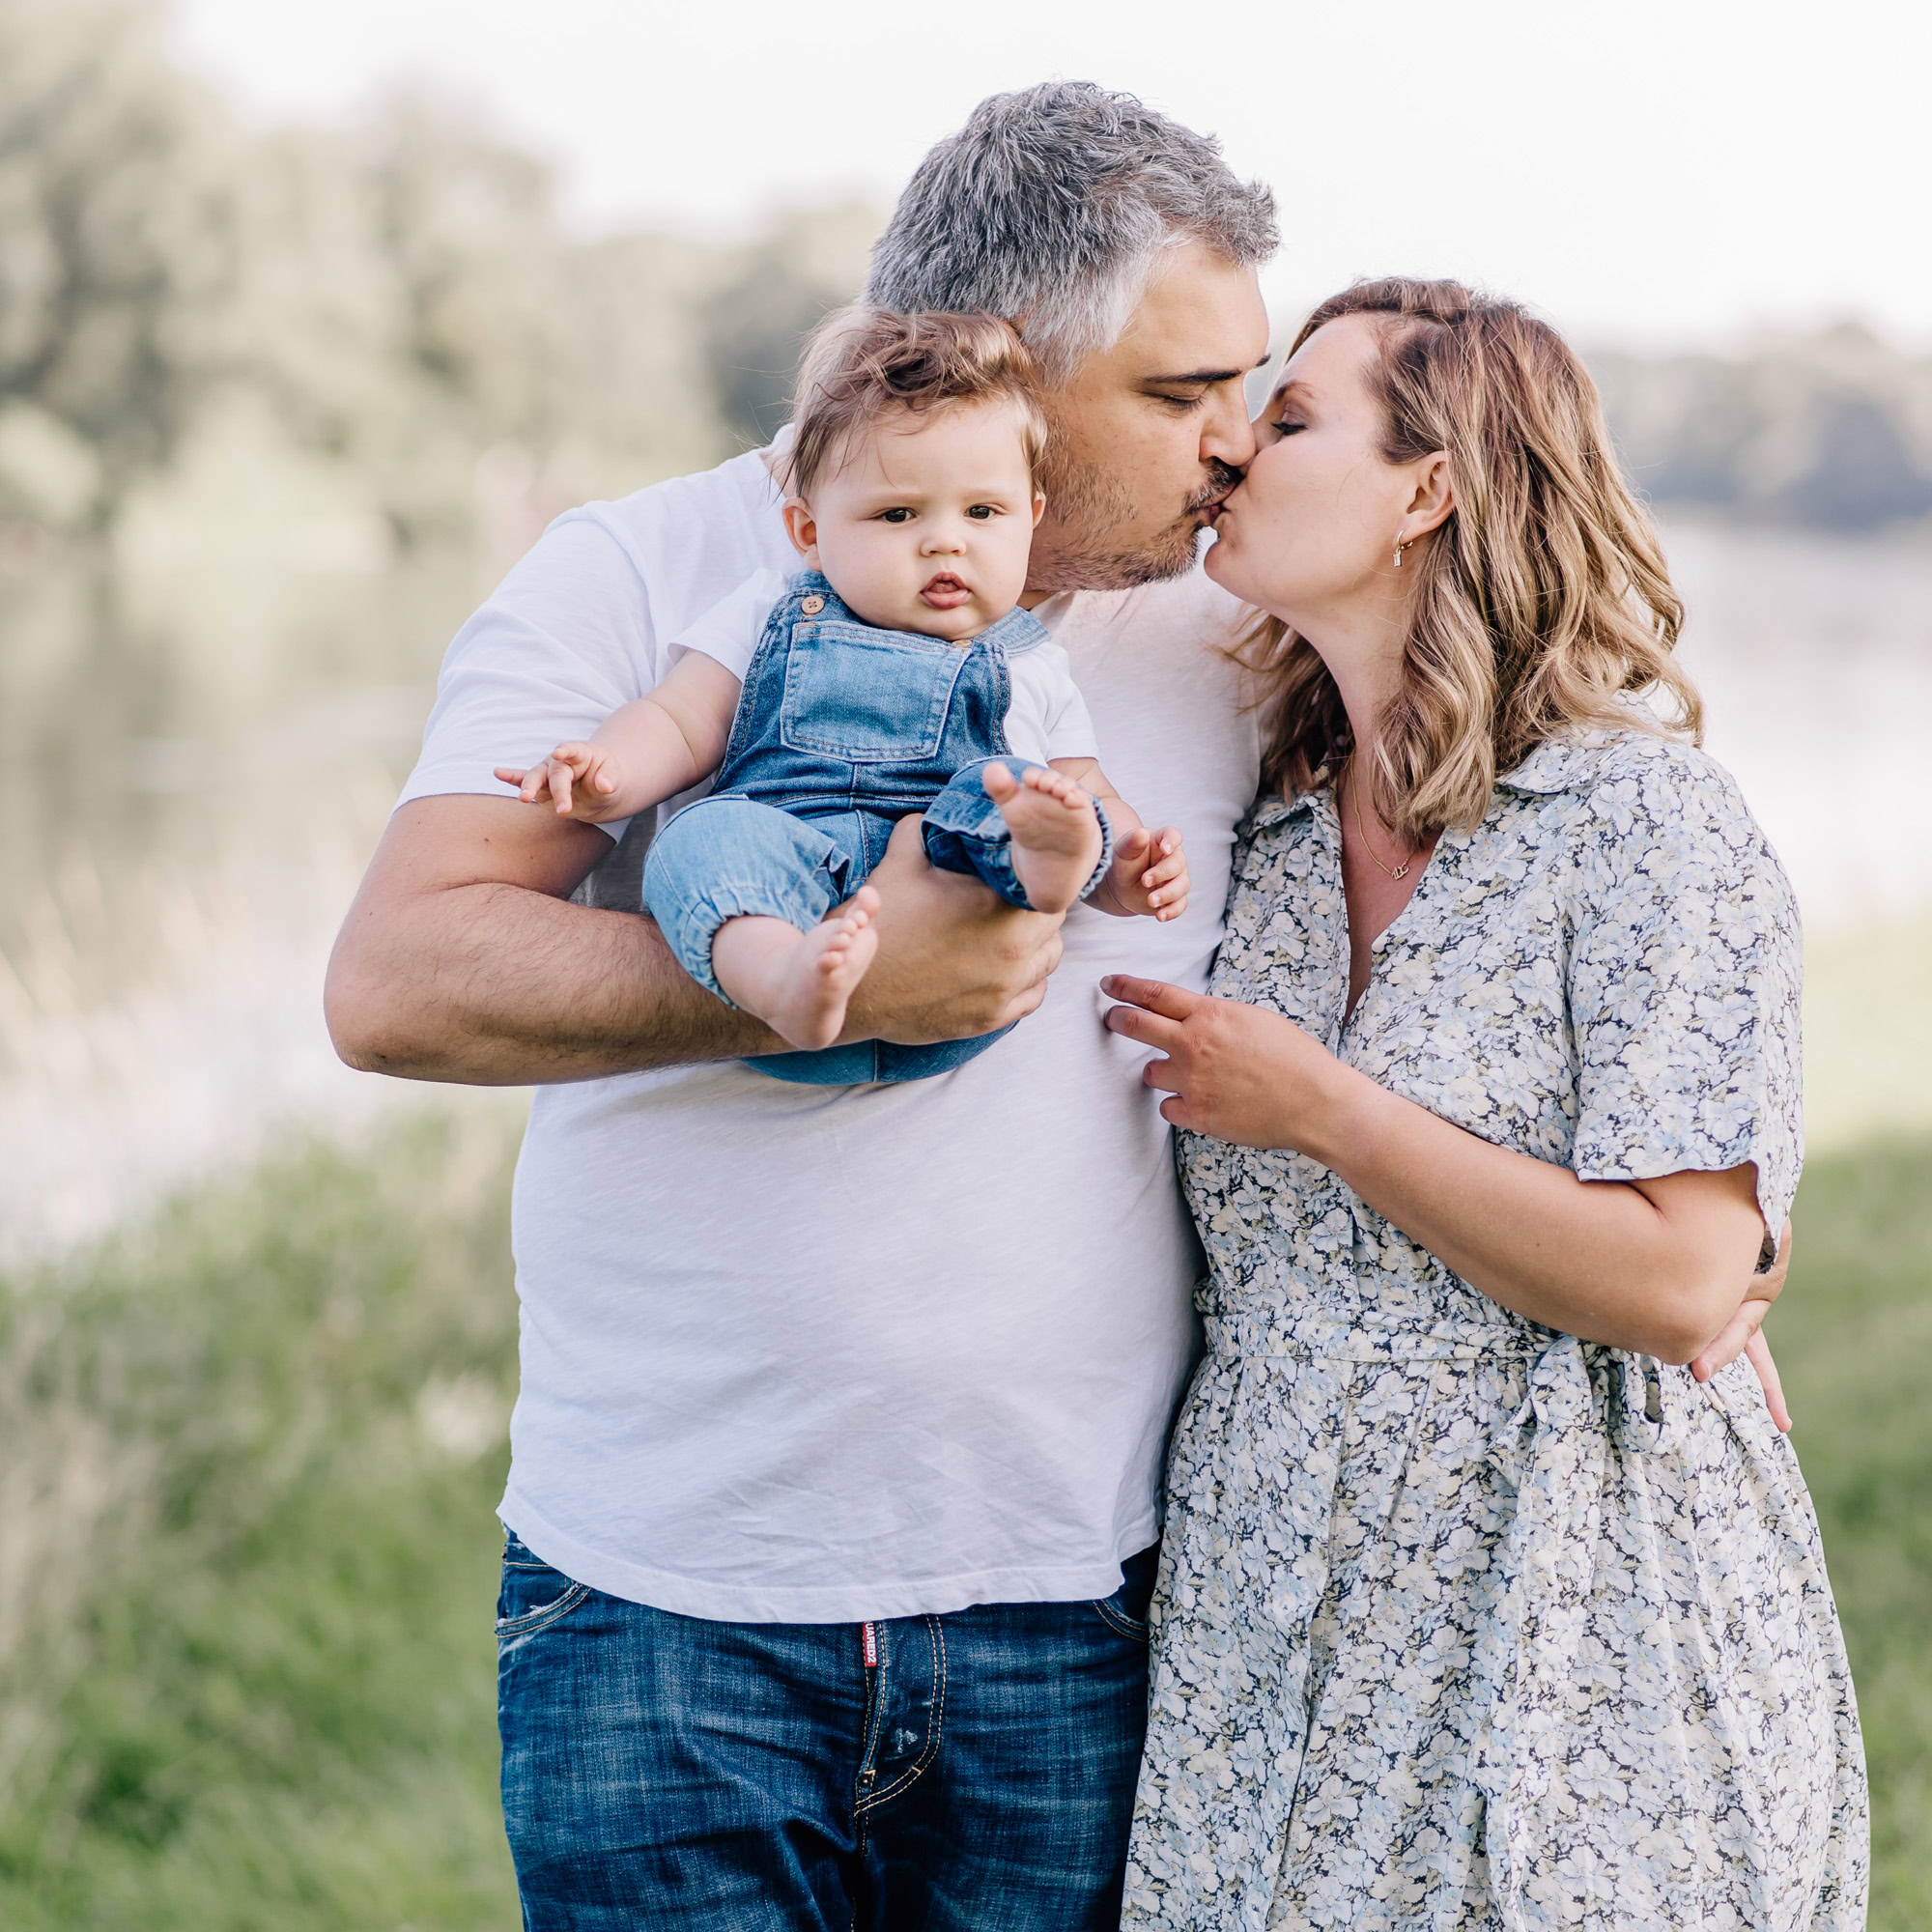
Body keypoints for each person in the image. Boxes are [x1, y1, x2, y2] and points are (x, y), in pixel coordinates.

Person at [327, 81, 1277, 1928]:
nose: (1236, 448)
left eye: (1252, 387)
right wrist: (805, 996)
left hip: (1069, 1601)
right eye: (1184, 396)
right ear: (999, 362)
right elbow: (396, 978)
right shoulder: (648, 570)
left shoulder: (1228, 635)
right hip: (667, 1602)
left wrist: (1664, 1250)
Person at [1103, 279, 1866, 1929]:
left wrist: (1331, 1111)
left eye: (1292, 419)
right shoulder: (1273, 828)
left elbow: (1682, 1280)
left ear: (1428, 489)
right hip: (1268, 1634)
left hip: (1575, 1621)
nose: (1232, 449)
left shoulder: (1646, 826)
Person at [495, 308, 1188, 1078]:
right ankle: (779, 975)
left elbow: (1090, 783)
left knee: (1027, 794)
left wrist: (1128, 866)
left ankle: (1049, 867)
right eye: (897, 514)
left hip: (959, 946)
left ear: (1030, 517)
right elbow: (679, 719)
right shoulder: (773, 612)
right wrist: (609, 774)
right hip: (792, 885)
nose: (945, 540)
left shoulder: (1031, 663)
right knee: (699, 838)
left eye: (982, 512)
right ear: (809, 533)